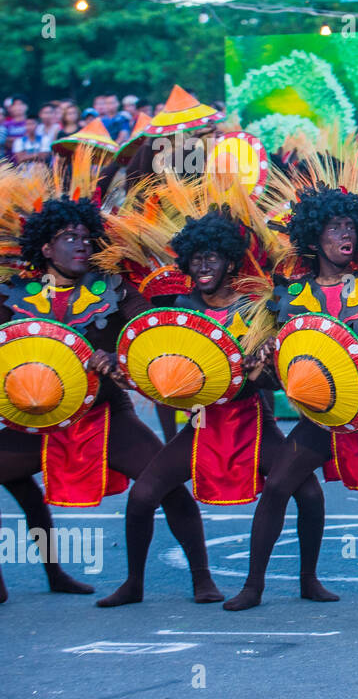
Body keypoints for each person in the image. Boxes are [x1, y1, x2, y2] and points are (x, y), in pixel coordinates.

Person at [95, 186, 335, 606]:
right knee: (144, 495)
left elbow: (275, 381)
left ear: (229, 262)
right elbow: (153, 363)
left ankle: (309, 580)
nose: (204, 266)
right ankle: (143, 582)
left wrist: (262, 367)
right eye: (196, 259)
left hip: (250, 422)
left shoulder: (255, 307)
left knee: (309, 493)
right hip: (202, 424)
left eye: (213, 258)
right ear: (186, 263)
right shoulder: (176, 310)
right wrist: (116, 361)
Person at [0, 158, 214, 602]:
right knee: (16, 481)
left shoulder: (115, 290)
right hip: (34, 421)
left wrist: (115, 356)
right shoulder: (14, 296)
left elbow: (150, 339)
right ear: (44, 248)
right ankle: (50, 573)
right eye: (67, 238)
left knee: (169, 488)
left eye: (85, 237)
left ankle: (202, 579)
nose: (79, 245)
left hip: (104, 418)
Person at [224, 149, 358, 610]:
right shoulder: (290, 296)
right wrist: (268, 357)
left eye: (350, 228)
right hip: (324, 414)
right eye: (334, 228)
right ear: (314, 236)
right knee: (279, 488)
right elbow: (265, 371)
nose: (345, 234)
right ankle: (258, 585)